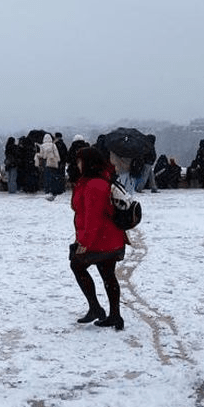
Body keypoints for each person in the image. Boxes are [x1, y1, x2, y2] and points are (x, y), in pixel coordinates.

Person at [68, 146, 127, 330]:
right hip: (111, 237)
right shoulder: (102, 178)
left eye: (79, 161)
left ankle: (96, 308)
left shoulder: (93, 184)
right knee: (108, 274)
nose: (77, 164)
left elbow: (93, 218)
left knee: (77, 265)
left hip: (100, 239)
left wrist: (84, 243)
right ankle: (115, 315)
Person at [35, 133, 62, 201]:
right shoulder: (53, 145)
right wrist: (57, 160)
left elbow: (42, 155)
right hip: (53, 162)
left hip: (46, 162)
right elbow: (57, 154)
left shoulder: (42, 146)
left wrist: (38, 155)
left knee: (47, 176)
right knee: (54, 177)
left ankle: (47, 190)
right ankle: (53, 189)